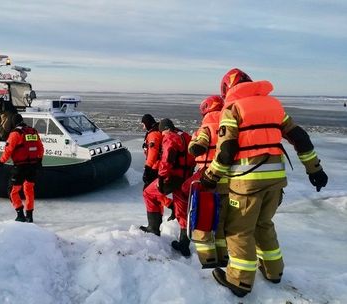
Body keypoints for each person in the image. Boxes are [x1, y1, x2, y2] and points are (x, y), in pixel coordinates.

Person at [201, 68, 328, 297]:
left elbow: (226, 149)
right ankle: (273, 272)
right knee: (264, 224)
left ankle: (239, 281)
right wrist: (314, 169)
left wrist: (211, 176)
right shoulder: (275, 106)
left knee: (239, 230)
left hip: (246, 183)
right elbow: (300, 137)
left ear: (227, 89)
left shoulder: (232, 108)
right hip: (275, 182)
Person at [182, 95, 229, 268]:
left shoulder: (206, 127)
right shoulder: (231, 125)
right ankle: (224, 258)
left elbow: (196, 147)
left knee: (204, 222)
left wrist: (195, 145)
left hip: (209, 179)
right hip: (232, 181)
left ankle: (208, 261)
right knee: (221, 223)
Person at [140, 119, 195, 257]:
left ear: (165, 129)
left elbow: (167, 159)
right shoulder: (187, 136)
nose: (162, 134)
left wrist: (161, 178)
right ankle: (184, 244)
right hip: (186, 178)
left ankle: (153, 228)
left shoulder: (170, 137)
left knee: (148, 193)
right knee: (182, 210)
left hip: (172, 178)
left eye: (162, 131)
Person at [0, 114, 44, 223]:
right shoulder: (32, 131)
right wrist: (39, 161)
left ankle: (20, 215)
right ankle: (29, 215)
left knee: (12, 191)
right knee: (29, 190)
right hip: (33, 166)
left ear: (14, 123)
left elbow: (8, 150)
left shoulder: (15, 133)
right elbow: (40, 148)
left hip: (20, 167)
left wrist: (1, 162)